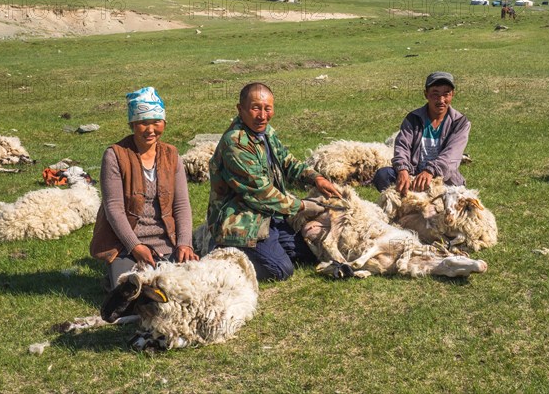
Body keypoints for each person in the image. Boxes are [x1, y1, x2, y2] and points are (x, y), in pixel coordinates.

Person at [207, 82, 342, 281]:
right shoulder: (235, 144)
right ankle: (226, 254)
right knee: (280, 270)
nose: (262, 115)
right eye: (255, 108)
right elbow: (260, 193)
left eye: (267, 108)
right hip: (242, 219)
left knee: (307, 254)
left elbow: (287, 161)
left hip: (268, 216)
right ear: (240, 109)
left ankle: (265, 246)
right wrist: (302, 206)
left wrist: (316, 178)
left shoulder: (265, 132)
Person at [90, 87, 198, 289]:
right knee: (131, 291)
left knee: (183, 289)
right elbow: (113, 208)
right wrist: (135, 246)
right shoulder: (115, 155)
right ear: (132, 124)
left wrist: (184, 243)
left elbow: (181, 204)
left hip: (166, 240)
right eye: (142, 123)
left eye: (156, 122)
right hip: (124, 243)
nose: (150, 130)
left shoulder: (172, 155)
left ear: (164, 122)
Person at [372, 72, 470, 196]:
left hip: (443, 178)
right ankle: (406, 204)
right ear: (426, 94)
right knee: (383, 175)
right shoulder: (413, 118)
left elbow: (451, 155)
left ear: (452, 95)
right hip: (413, 174)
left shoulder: (460, 122)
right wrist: (403, 170)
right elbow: (402, 146)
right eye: (435, 94)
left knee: (454, 197)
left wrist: (430, 171)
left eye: (446, 94)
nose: (441, 100)